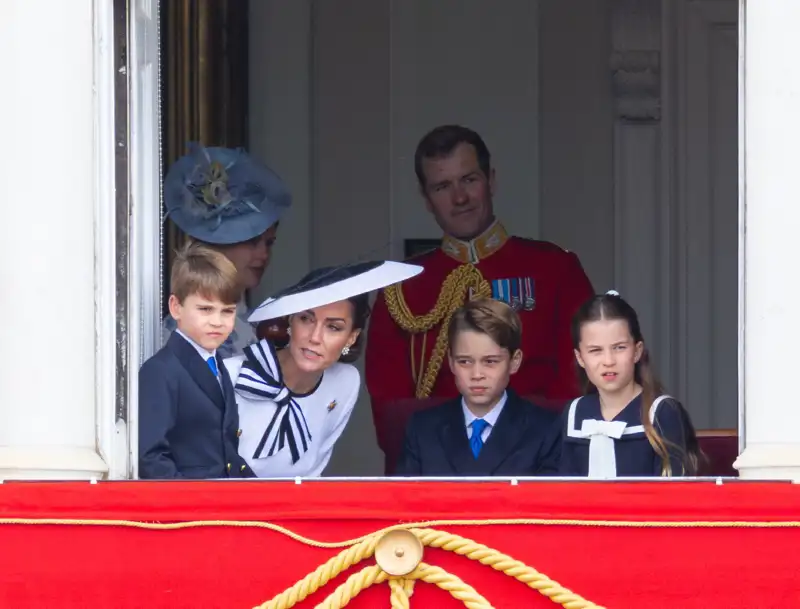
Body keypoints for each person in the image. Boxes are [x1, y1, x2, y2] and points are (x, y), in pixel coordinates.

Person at [365, 124, 595, 473]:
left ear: (491, 179)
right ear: (426, 199)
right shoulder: (402, 287)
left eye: (469, 180)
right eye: (443, 186)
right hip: (435, 470)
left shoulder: (554, 268)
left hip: (538, 466)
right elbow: (390, 413)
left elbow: (577, 383)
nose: (460, 198)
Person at [225, 260, 423, 478]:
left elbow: (313, 471)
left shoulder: (345, 381)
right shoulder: (231, 375)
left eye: (333, 327)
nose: (315, 337)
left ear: (351, 337)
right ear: (290, 321)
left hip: (295, 507)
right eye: (306, 319)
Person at [395, 298, 560, 476]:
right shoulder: (422, 429)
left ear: (514, 361)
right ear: (451, 362)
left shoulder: (546, 430)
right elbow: (405, 500)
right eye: (464, 361)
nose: (477, 374)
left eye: (490, 362)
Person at [162, 143, 292, 357]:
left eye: (269, 243)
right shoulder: (188, 331)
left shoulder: (254, 327)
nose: (264, 254)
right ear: (215, 241)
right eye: (251, 241)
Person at [139, 243, 253, 479]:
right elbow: (150, 458)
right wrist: (195, 504)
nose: (217, 321)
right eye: (205, 309)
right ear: (176, 307)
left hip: (224, 503)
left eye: (227, 311)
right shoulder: (160, 371)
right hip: (193, 509)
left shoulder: (218, 365)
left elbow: (226, 451)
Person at [559, 291, 701, 477]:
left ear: (637, 351)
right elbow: (563, 492)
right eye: (595, 350)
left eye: (619, 348)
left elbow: (674, 495)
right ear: (580, 357)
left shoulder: (661, 413)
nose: (608, 360)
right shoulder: (575, 413)